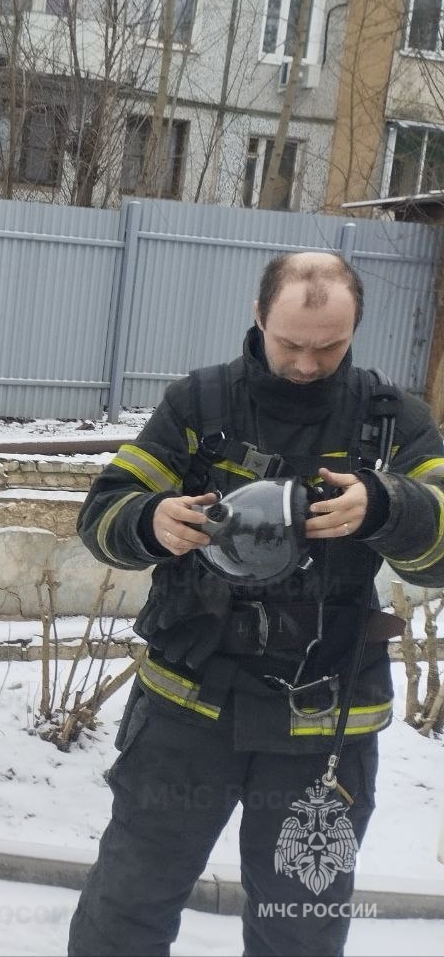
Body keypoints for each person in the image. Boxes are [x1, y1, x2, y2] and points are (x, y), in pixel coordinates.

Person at [69, 251, 444, 956]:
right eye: (290, 344)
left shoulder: (392, 422)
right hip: (188, 705)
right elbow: (102, 515)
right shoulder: (198, 405)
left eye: (328, 347)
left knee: (299, 931)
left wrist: (390, 506)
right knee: (126, 908)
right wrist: (152, 522)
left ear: (355, 326)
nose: (306, 364)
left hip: (323, 719)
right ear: (258, 315)